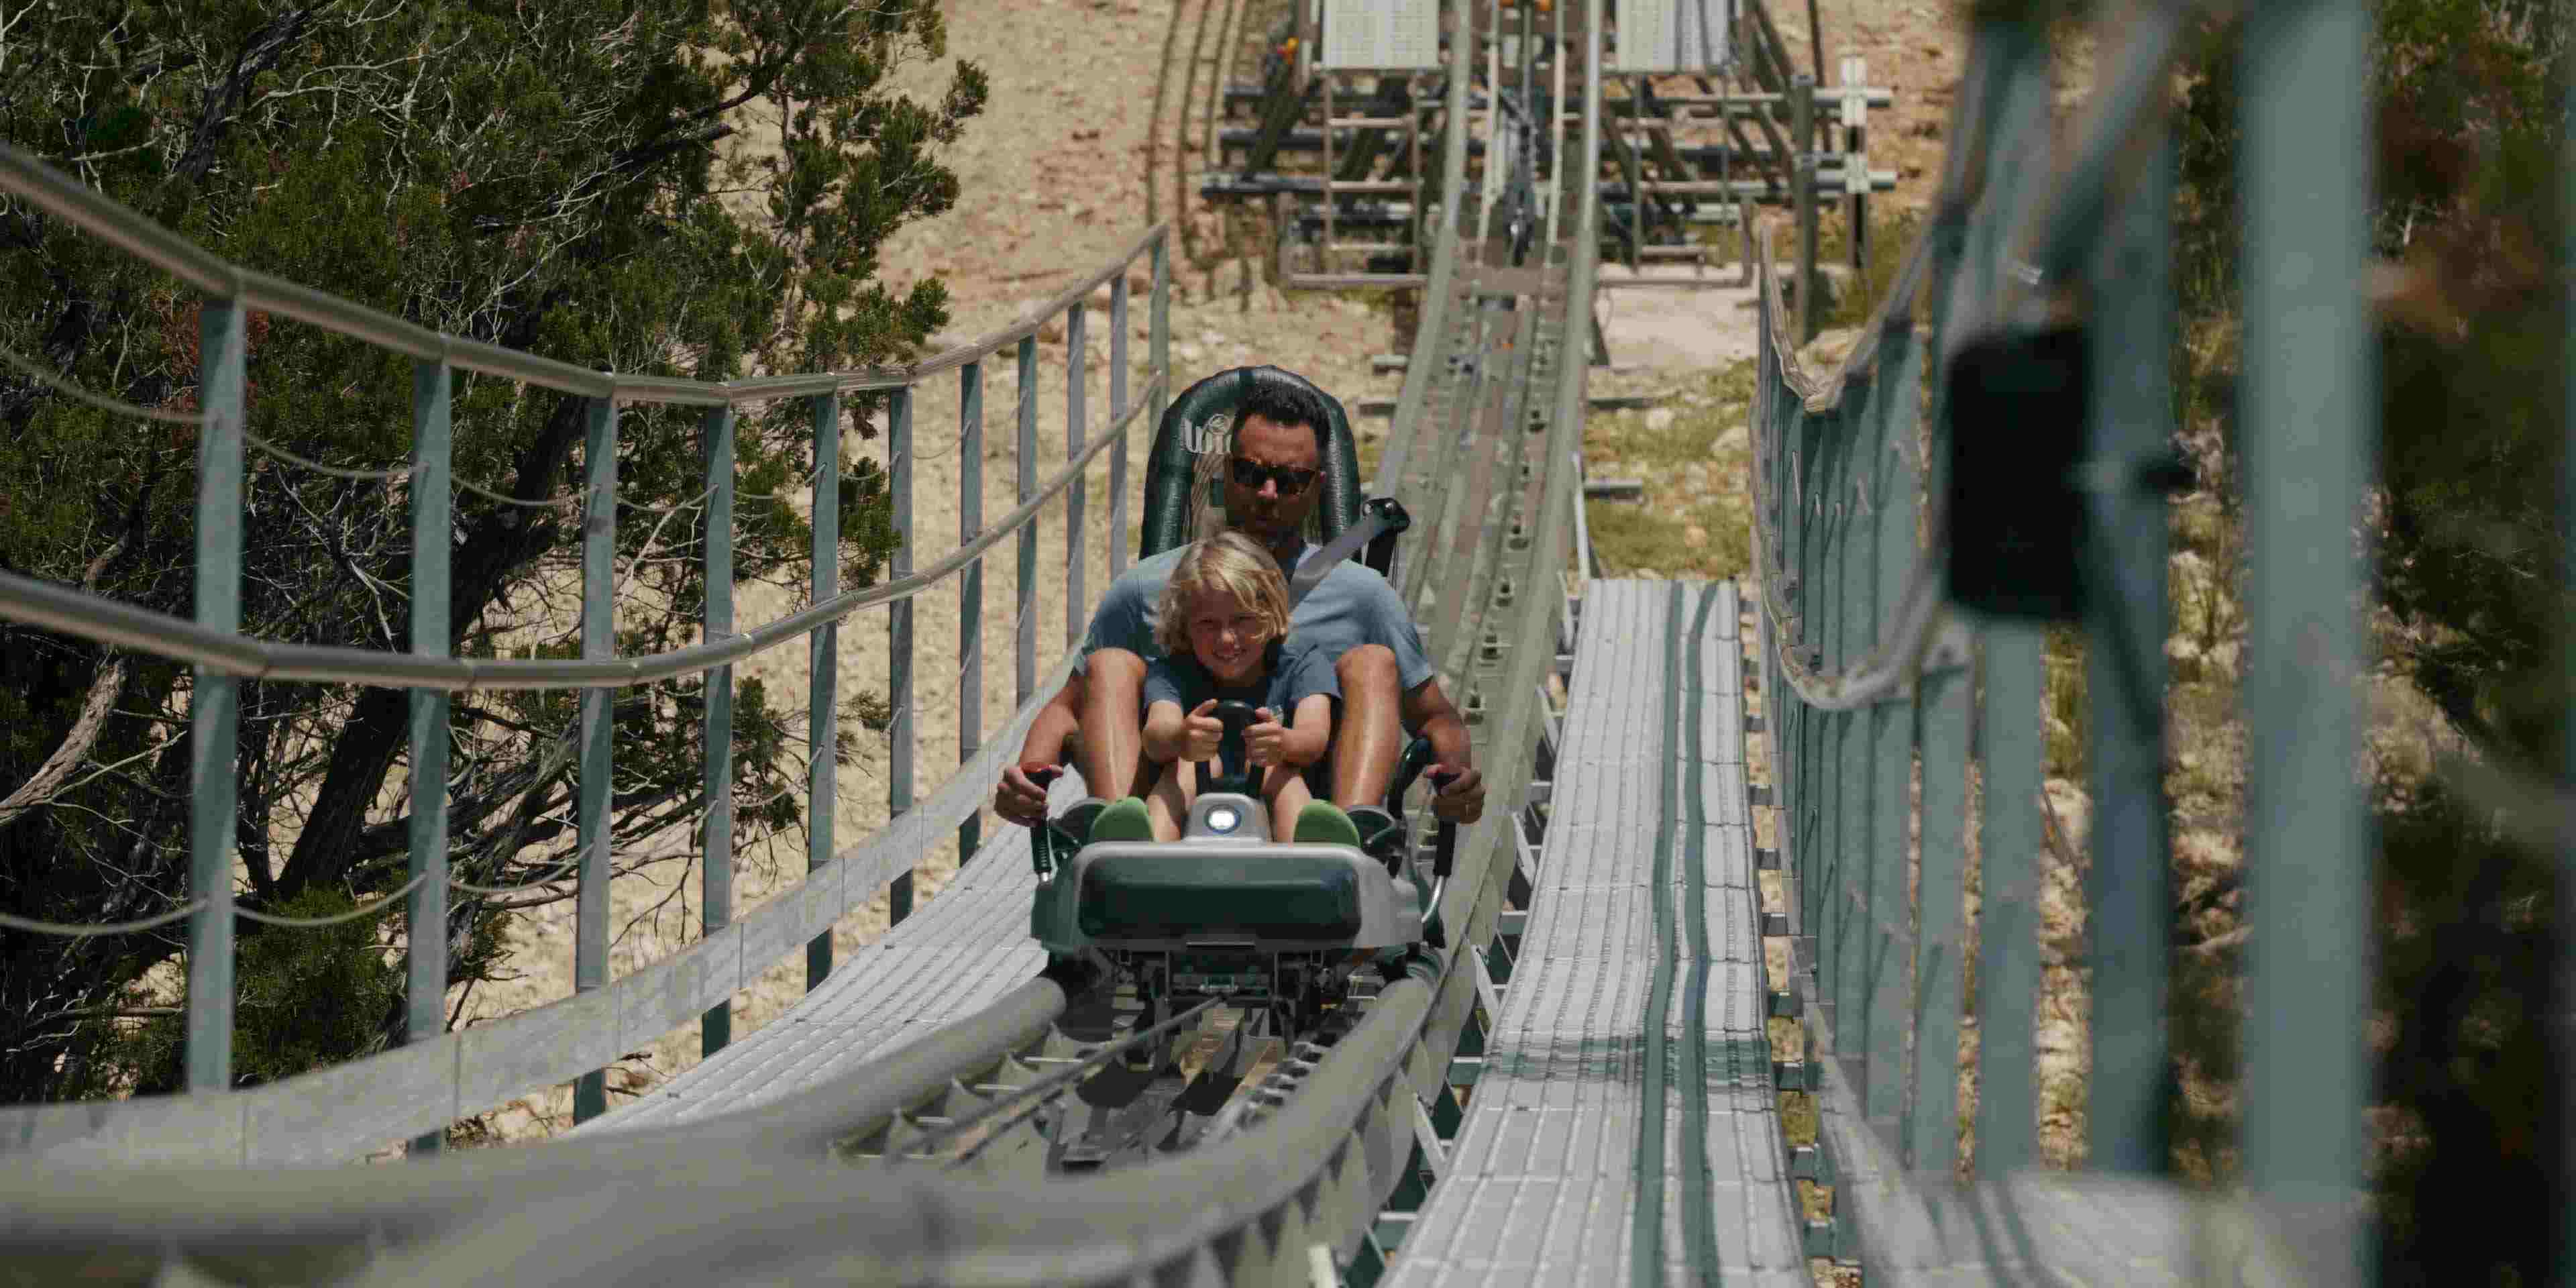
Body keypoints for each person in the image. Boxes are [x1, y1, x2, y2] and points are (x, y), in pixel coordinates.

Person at [994, 374, 1485, 849]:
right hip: (1169, 791)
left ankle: (1349, 843)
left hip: (1305, 791)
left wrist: (1457, 775)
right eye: (1253, 474)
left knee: (1374, 661)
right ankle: (1119, 835)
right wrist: (1030, 773)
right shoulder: (1145, 588)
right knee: (1110, 663)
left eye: (1289, 482)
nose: (1268, 493)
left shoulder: (1363, 596)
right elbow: (1067, 706)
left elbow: (1435, 716)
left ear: (1315, 489)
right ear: (1227, 474)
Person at [1082, 532, 1357, 845]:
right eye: (1208, 624)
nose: (1226, 639)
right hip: (1197, 781)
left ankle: (1311, 852)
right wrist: (1181, 738)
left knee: (1282, 775)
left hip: (1271, 780)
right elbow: (1157, 733)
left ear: (1269, 616)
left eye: (1242, 620)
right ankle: (1147, 847)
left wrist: (1284, 742)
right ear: (1185, 624)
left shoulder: (1302, 665)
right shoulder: (1173, 672)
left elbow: (1314, 736)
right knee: (1184, 770)